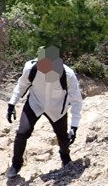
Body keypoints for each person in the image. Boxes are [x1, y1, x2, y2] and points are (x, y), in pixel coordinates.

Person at [5, 46, 83, 178]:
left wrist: (74, 126)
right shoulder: (31, 68)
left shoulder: (67, 75)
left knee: (63, 138)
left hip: (57, 109)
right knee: (22, 133)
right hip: (35, 104)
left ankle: (65, 157)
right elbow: (21, 85)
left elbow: (77, 101)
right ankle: (16, 164)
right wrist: (12, 103)